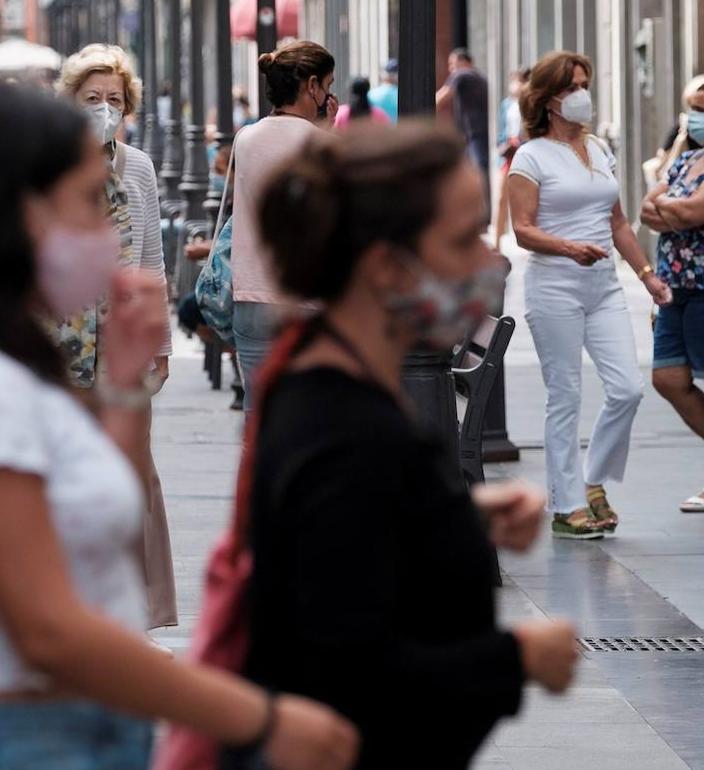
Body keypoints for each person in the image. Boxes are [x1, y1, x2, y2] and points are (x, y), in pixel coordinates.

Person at [0, 80, 358, 770]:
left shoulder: (9, 362)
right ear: (14, 213)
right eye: (87, 204)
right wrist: (252, 716)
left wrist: (126, 390)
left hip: (77, 733)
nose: (108, 230)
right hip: (17, 740)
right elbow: (48, 630)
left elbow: (96, 524)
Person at [246, 121, 578, 769]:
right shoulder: (345, 429)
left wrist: (453, 515)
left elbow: (350, 542)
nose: (492, 261)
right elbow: (349, 679)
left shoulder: (331, 379)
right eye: (464, 241)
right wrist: (519, 658)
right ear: (388, 270)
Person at [508, 51, 672, 539]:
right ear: (549, 98)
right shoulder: (530, 156)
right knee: (566, 395)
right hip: (554, 285)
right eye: (573, 86)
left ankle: (592, 480)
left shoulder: (599, 149)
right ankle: (566, 505)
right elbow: (522, 230)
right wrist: (567, 247)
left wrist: (646, 274)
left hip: (602, 287)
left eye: (585, 83)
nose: (583, 94)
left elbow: (618, 222)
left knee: (628, 388)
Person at [57, 43, 177, 631]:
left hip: (126, 340)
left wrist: (163, 344)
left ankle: (137, 615)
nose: (104, 109)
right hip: (65, 343)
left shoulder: (138, 167)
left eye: (113, 100)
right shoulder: (49, 164)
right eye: (92, 99)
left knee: (133, 474)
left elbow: (152, 255)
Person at [230, 40, 337, 412]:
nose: (328, 94)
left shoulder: (245, 138)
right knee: (311, 415)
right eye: (327, 84)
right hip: (303, 299)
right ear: (312, 86)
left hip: (250, 295)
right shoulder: (322, 144)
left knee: (259, 416)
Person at [641, 76, 704, 514]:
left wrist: (675, 210)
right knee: (668, 378)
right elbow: (650, 208)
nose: (696, 117)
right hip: (674, 288)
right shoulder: (689, 159)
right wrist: (676, 212)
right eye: (693, 107)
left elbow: (692, 211)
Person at [436, 48, 490, 206]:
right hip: (480, 132)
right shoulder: (480, 77)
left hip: (473, 133)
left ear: (464, 62)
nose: (450, 68)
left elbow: (441, 98)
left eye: (452, 63)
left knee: (475, 171)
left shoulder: (461, 74)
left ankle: (479, 210)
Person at [494, 68, 530, 245]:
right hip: (508, 154)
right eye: (514, 81)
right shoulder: (506, 104)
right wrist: (503, 144)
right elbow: (501, 129)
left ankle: (528, 241)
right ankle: (497, 242)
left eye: (519, 81)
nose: (515, 85)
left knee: (526, 201)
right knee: (501, 198)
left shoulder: (531, 104)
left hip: (525, 153)